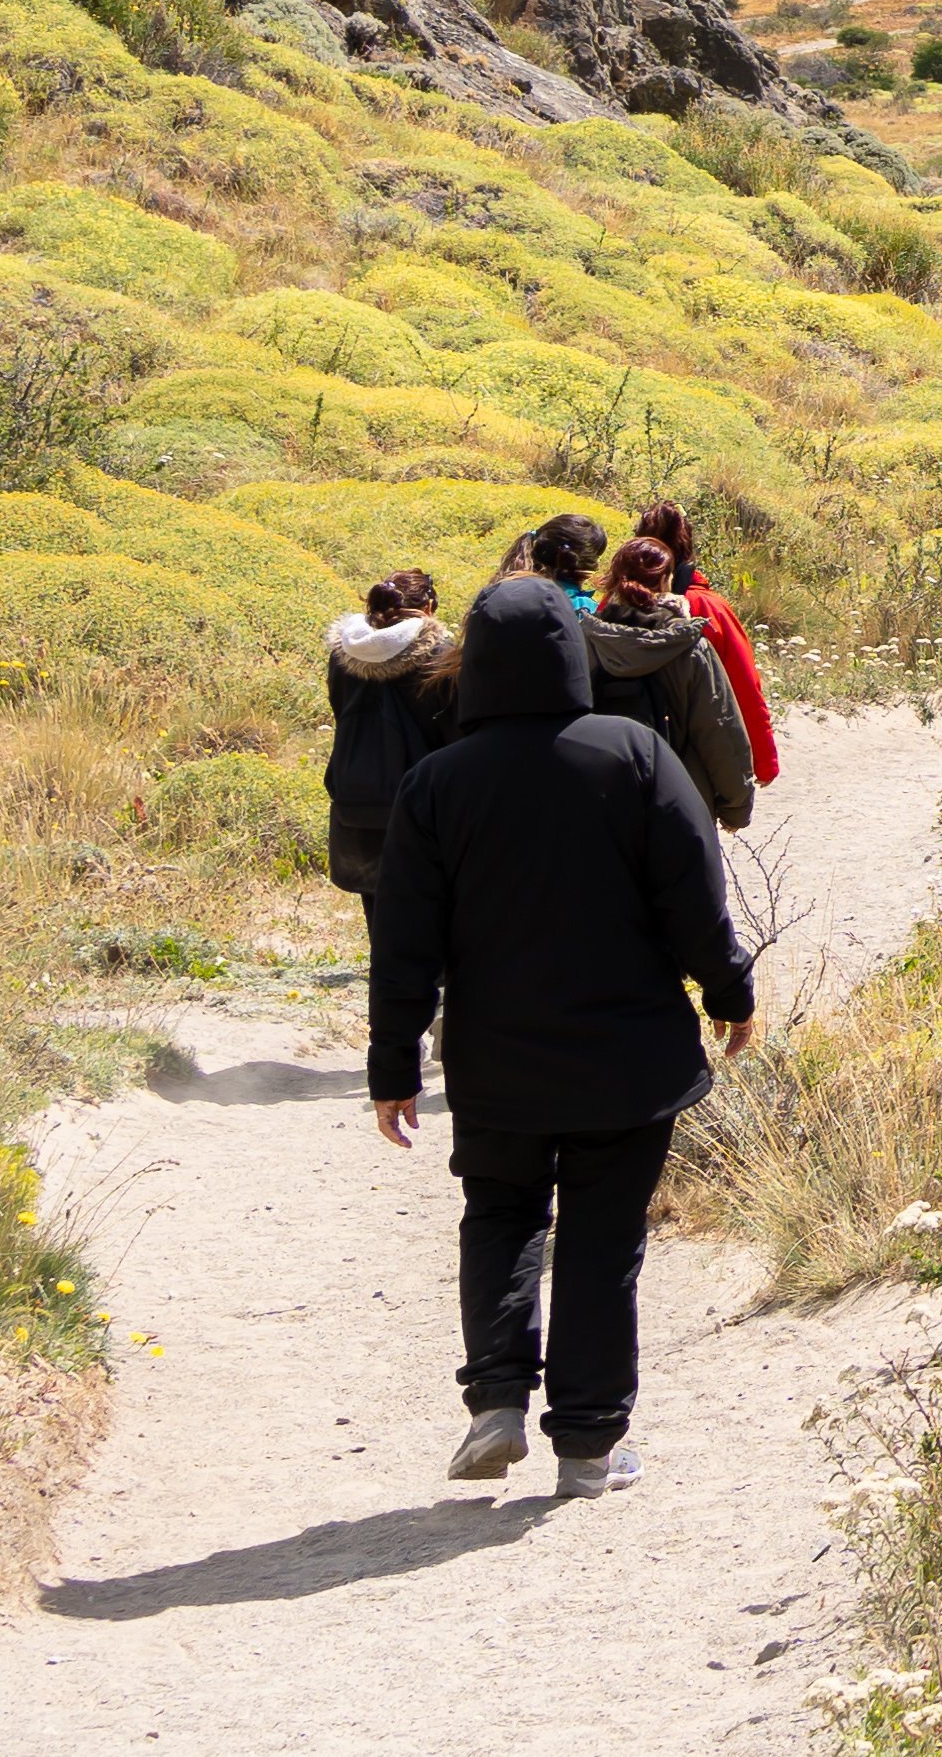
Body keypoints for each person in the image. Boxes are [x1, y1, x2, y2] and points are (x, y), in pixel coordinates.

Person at [365, 572, 755, 1499]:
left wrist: (393, 1066)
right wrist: (730, 987)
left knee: (500, 1214)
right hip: (628, 1056)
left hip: (498, 1059)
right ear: (572, 653)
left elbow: (404, 946)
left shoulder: (435, 784)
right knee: (601, 1237)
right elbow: (695, 893)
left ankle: (496, 1399)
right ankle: (587, 1444)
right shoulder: (632, 755)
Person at [584, 537, 759, 832]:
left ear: (613, 579)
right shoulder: (689, 648)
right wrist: (736, 807)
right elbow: (719, 731)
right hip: (679, 804)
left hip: (598, 804)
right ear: (667, 581)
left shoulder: (584, 641)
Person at [622, 505, 776, 792]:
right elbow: (743, 684)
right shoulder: (708, 608)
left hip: (622, 756)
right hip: (690, 762)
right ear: (688, 547)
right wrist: (764, 759)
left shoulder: (615, 604)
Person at [321, 571, 448, 896]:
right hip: (423, 801)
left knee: (375, 908)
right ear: (429, 607)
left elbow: (340, 709)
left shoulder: (343, 656)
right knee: (428, 914)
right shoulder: (441, 656)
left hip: (356, 796)